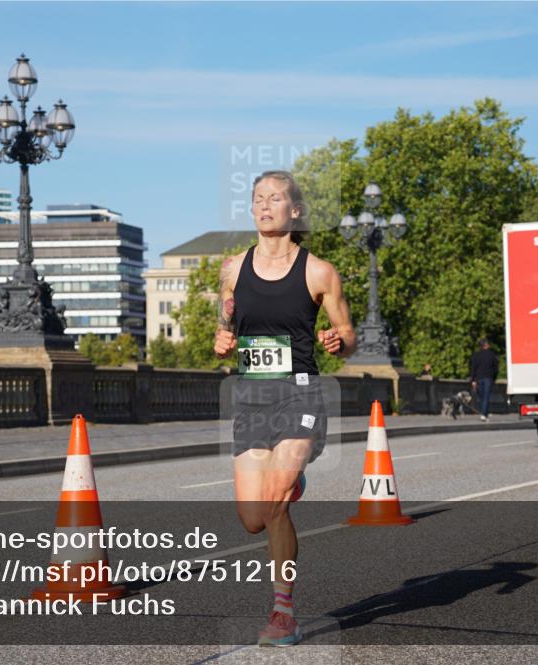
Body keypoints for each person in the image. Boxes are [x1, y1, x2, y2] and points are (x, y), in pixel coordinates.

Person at [214, 170, 356, 647]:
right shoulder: (232, 268)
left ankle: (283, 614)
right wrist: (221, 338)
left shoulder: (319, 272)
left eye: (275, 198)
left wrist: (339, 342)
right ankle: (291, 482)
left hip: (300, 393)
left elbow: (349, 334)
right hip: (251, 397)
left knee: (274, 502)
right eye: (258, 198)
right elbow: (225, 319)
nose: (264, 205)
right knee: (253, 518)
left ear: (295, 211)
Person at [470, 339, 498, 421]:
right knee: (486, 396)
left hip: (479, 378)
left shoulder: (476, 355)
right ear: (485, 345)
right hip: (488, 378)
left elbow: (473, 368)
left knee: (482, 396)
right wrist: (494, 378)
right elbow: (496, 368)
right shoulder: (491, 355)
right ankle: (484, 413)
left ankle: (484, 412)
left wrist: (473, 380)